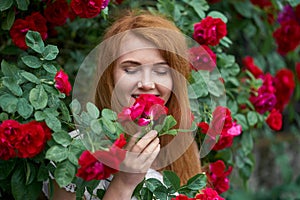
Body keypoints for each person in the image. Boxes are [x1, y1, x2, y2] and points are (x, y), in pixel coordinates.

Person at [52, 10, 202, 199]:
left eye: (161, 70)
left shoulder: (183, 144)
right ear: (109, 76)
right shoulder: (77, 149)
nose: (147, 83)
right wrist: (124, 183)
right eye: (130, 69)